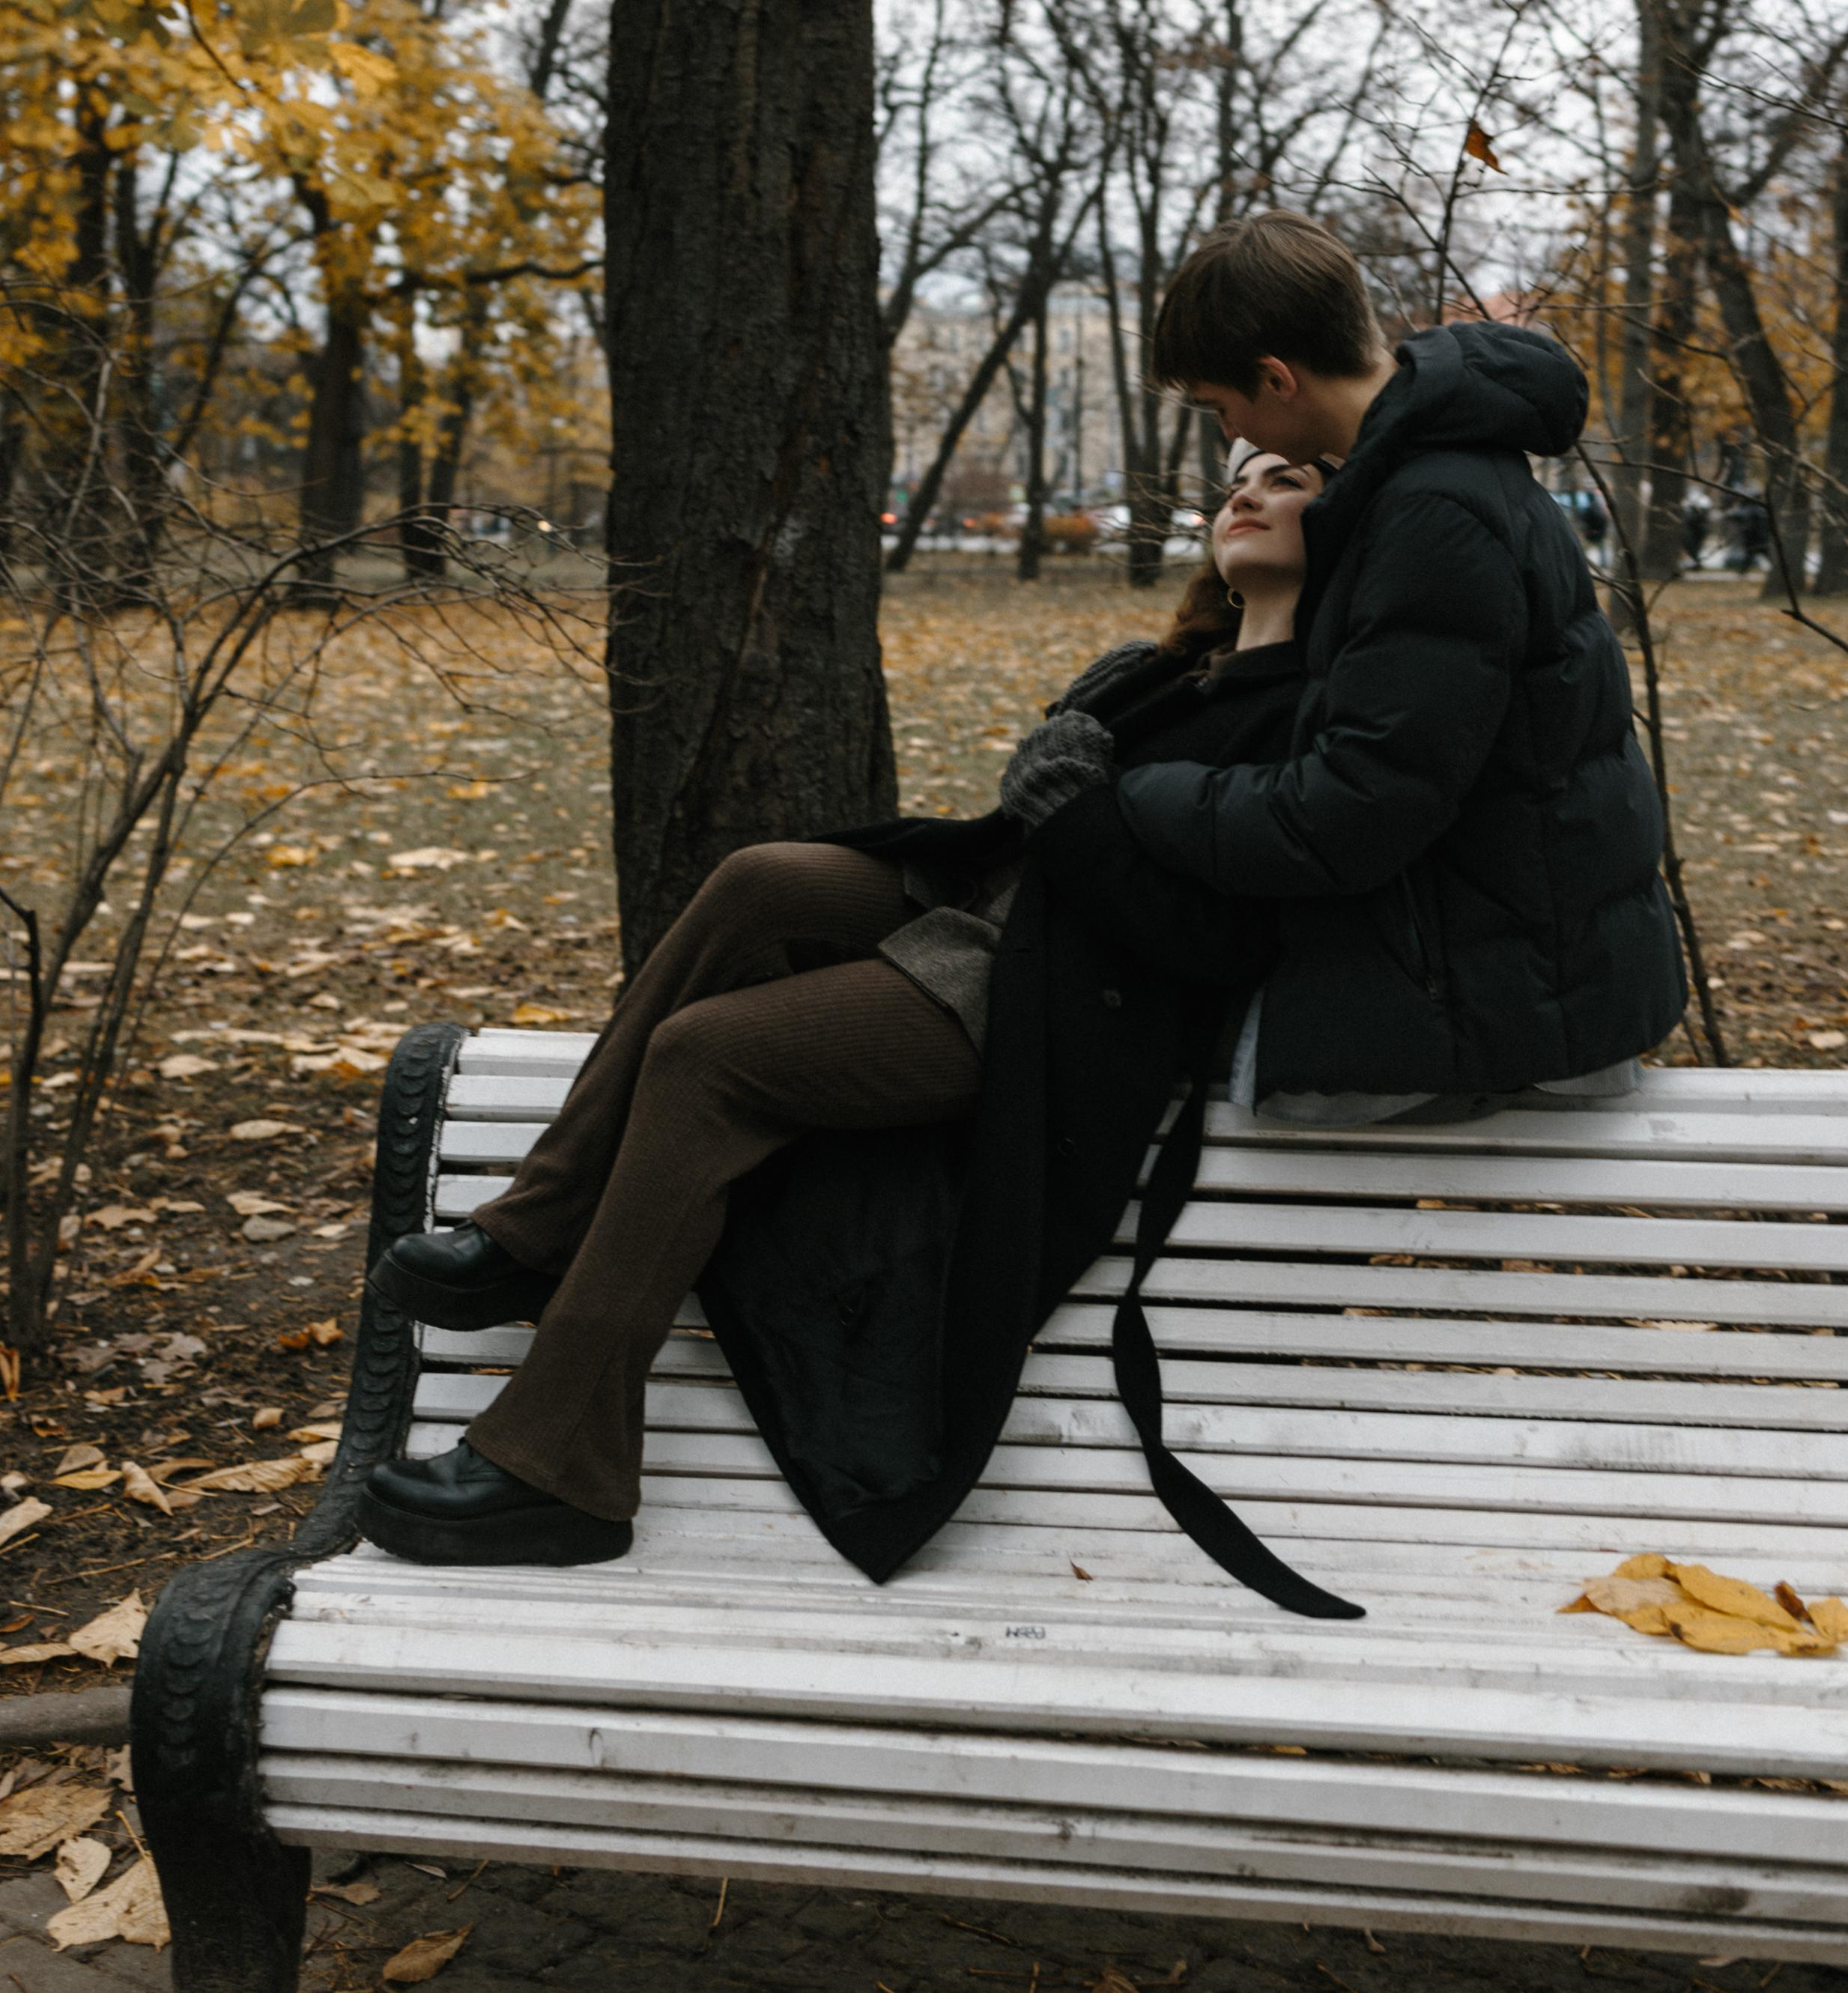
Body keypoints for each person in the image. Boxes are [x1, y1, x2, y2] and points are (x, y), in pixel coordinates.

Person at [357, 452, 1350, 1616]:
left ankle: (559, 1470)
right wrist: (1068, 758)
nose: (1245, 491)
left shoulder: (1313, 710)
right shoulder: (1166, 672)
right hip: (987, 919)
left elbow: (1207, 934)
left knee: (706, 1060)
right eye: (1234, 477)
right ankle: (539, 1226)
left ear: (1351, 516)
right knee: (760, 880)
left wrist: (1074, 809)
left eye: (1285, 477)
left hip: (1056, 1004)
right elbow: (1023, 831)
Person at [1048, 210, 1684, 1122]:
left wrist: (1127, 793)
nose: (1225, 427)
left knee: (1086, 1050)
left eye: (1219, 404)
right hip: (1506, 973)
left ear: (1276, 378)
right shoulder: (1418, 478)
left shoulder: (1434, 512)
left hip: (1508, 1013)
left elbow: (1348, 812)